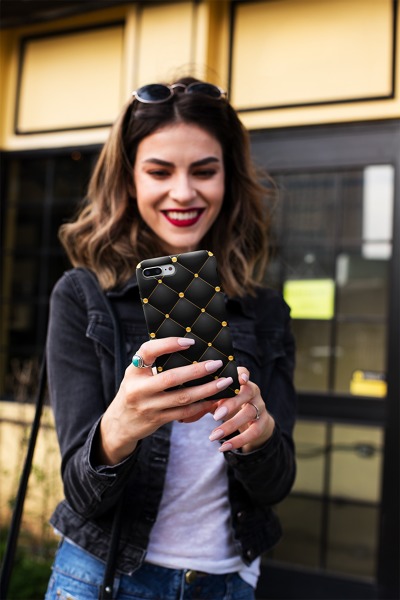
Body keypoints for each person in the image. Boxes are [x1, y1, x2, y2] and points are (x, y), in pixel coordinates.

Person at [45, 76, 297, 600]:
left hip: (226, 583)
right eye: (159, 171)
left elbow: (277, 486)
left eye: (204, 171)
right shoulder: (84, 296)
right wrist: (120, 427)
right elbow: (81, 495)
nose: (183, 192)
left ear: (229, 177)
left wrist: (261, 434)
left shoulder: (266, 309)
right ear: (129, 179)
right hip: (102, 578)